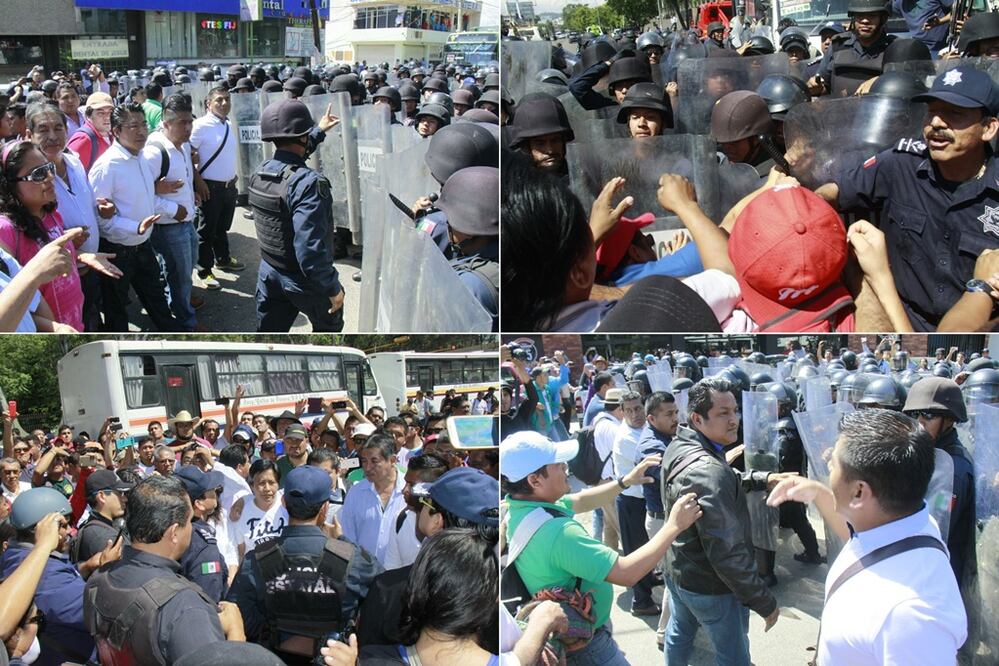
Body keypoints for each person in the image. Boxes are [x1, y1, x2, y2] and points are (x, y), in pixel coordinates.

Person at [768, 409, 967, 663]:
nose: (828, 464)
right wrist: (818, 493)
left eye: (834, 464)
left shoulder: (910, 617)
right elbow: (861, 545)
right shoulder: (909, 522)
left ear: (860, 492)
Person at [815, 65, 999, 331]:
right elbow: (834, 191)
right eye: (932, 113)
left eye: (954, 114)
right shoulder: (901, 163)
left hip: (977, 330)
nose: (936, 123)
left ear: (988, 128)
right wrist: (810, 208)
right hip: (896, 316)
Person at [500, 430, 702, 664]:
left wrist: (625, 481)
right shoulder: (558, 533)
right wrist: (674, 526)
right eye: (557, 464)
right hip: (588, 647)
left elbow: (582, 500)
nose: (566, 467)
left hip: (576, 630)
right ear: (535, 480)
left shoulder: (520, 508)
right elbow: (627, 572)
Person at [660, 377, 791, 665]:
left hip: (679, 569)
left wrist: (761, 479)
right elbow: (727, 553)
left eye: (735, 411)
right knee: (733, 657)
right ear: (697, 418)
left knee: (678, 633)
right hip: (710, 586)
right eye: (723, 413)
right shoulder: (708, 470)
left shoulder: (680, 443)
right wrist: (763, 601)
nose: (734, 420)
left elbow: (719, 481)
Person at [227, 465, 382, 662]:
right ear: (325, 508)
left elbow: (237, 614)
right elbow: (385, 595)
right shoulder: (352, 558)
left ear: (283, 502)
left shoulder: (257, 558)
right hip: (333, 658)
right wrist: (342, 539)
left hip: (273, 657)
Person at [83, 475, 244, 664]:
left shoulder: (97, 579)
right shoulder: (185, 606)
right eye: (189, 521)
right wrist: (235, 632)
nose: (191, 528)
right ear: (174, 532)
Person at [356, 465, 498, 648]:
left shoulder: (388, 590)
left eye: (425, 503)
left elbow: (368, 653)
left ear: (437, 521)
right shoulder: (497, 596)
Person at [249, 98, 345, 332]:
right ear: (303, 136)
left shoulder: (260, 173)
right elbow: (310, 251)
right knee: (329, 332)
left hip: (269, 273)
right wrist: (333, 288)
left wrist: (318, 131)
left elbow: (291, 156)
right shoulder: (309, 184)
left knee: (269, 334)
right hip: (304, 281)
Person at [89, 102, 178, 331]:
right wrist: (134, 226)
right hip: (117, 251)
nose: (141, 131)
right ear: (116, 131)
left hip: (144, 245)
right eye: (132, 126)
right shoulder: (107, 166)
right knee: (117, 311)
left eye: (143, 125)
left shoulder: (142, 157)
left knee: (157, 301)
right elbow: (100, 219)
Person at [1, 487, 96, 666]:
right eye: (63, 525)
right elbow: (96, 611)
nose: (69, 531)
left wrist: (87, 566)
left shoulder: (17, 554)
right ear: (41, 530)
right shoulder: (46, 572)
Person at [902, 377, 975, 583]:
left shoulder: (953, 469)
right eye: (915, 414)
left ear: (950, 420)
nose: (920, 422)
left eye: (929, 415)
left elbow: (936, 522)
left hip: (937, 571)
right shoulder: (931, 451)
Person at [142, 93, 201, 331]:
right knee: (178, 275)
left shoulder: (183, 145)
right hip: (168, 227)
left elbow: (183, 176)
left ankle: (180, 303)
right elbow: (142, 196)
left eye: (190, 121)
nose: (188, 128)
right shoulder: (154, 152)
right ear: (166, 123)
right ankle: (185, 322)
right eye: (181, 123)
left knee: (185, 271)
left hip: (186, 221)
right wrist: (173, 208)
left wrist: (192, 193)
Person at [612, 390, 660, 616]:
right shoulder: (626, 438)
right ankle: (641, 602)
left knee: (647, 548)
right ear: (622, 412)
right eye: (629, 410)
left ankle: (649, 579)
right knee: (636, 552)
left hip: (643, 499)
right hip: (631, 502)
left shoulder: (642, 429)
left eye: (638, 408)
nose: (635, 414)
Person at [190, 85, 243, 291]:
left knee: (222, 227)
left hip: (228, 186)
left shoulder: (228, 124)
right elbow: (188, 154)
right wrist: (199, 182)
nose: (224, 103)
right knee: (206, 231)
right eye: (219, 100)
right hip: (209, 188)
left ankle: (223, 258)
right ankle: (204, 270)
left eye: (227, 99)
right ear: (208, 104)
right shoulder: (200, 125)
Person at [339, 435, 407, 566]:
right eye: (364, 461)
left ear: (392, 460)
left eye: (374, 461)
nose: (367, 467)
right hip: (363, 575)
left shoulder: (409, 491)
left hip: (401, 576)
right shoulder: (355, 493)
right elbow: (348, 538)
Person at [810, 0, 897, 97]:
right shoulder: (837, 45)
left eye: (872, 15)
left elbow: (909, 83)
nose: (865, 21)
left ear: (883, 19)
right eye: (860, 15)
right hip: (838, 110)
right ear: (853, 18)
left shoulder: (896, 48)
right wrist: (814, 88)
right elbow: (824, 86)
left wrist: (881, 81)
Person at [174, 465, 229, 603]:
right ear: (199, 504)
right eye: (210, 490)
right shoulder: (201, 542)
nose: (215, 492)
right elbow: (209, 596)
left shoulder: (174, 530)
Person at [228, 459, 288, 560]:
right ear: (252, 485)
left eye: (271, 482)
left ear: (278, 484)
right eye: (261, 483)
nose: (267, 488)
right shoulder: (240, 513)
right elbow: (241, 553)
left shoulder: (288, 504)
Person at [70, 468, 132, 565]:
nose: (124, 499)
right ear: (102, 497)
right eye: (119, 493)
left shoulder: (99, 527)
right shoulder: (103, 536)